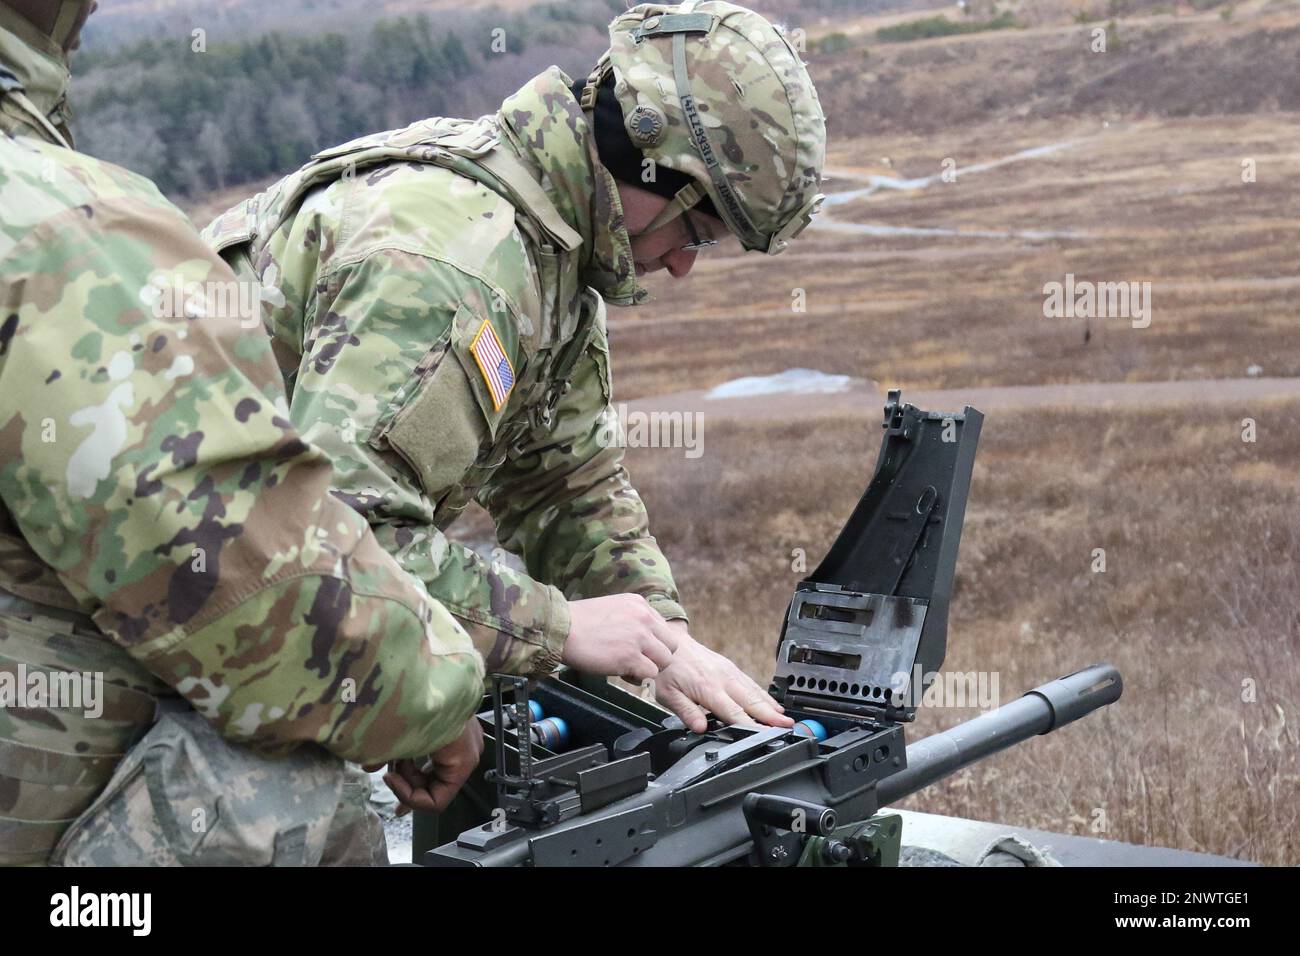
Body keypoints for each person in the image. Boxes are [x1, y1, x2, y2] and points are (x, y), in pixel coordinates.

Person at [202, 5, 826, 826]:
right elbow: (334, 539)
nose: (679, 266)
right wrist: (555, 625)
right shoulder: (455, 265)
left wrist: (667, 646)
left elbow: (566, 485)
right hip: (127, 604)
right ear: (648, 161)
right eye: (697, 231)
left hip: (225, 594)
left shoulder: (551, 249)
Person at [0, 0, 495, 866]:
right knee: (278, 790)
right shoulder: (50, 225)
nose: (684, 264)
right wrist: (442, 697)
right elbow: (270, 613)